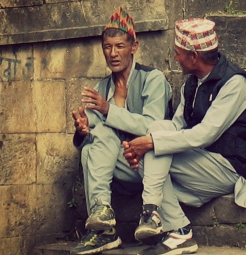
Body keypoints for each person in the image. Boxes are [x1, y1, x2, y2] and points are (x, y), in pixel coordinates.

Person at [123, 18, 246, 255]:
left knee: (153, 146)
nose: (175, 59)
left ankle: (173, 226)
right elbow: (176, 126)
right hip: (199, 161)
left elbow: (205, 135)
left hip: (229, 167)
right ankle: (156, 216)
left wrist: (152, 142)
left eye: (178, 53)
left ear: (194, 57)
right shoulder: (193, 83)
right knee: (158, 131)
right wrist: (151, 140)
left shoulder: (236, 83)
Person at [71, 7, 172, 255]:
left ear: (133, 47)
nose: (113, 53)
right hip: (119, 167)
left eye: (119, 46)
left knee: (105, 133)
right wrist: (83, 131)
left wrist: (108, 109)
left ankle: (106, 228)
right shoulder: (101, 86)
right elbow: (92, 140)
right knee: (94, 142)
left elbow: (153, 124)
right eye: (107, 47)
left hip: (152, 166)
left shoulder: (153, 79)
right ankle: (102, 218)